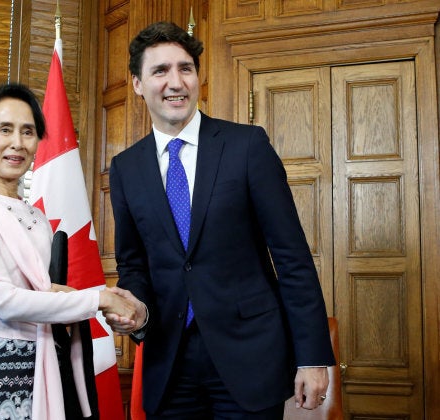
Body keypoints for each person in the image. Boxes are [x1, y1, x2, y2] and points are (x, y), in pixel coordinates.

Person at [106, 21, 336, 419]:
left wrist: (313, 358)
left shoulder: (247, 146)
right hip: (169, 362)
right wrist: (134, 309)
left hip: (250, 358)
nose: (175, 82)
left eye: (185, 68)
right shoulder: (125, 168)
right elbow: (134, 264)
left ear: (197, 77)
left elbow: (292, 257)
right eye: (160, 71)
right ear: (138, 83)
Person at [0, 83, 136, 420]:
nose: (17, 142)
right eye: (5, 129)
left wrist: (104, 295)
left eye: (28, 132)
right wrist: (98, 300)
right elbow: (2, 300)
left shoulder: (38, 218)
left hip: (42, 365)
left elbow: (41, 292)